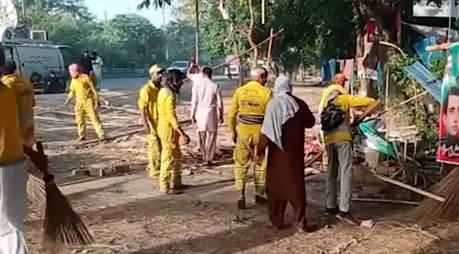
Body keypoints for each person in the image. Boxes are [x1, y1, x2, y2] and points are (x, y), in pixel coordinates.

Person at [0, 49, 48, 254]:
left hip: (3, 165)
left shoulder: (9, 89)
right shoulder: (9, 90)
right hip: (16, 160)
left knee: (7, 229)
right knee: (10, 225)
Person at [259, 75, 315, 232]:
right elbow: (310, 122)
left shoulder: (273, 105)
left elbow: (266, 132)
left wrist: (259, 151)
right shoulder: (299, 104)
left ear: (277, 87)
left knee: (275, 188)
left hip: (277, 155)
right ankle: (300, 222)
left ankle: (276, 220)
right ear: (290, 87)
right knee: (296, 187)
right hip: (294, 155)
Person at [320, 72, 375, 225]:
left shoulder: (326, 102)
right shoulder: (344, 98)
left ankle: (330, 206)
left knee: (331, 172)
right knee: (345, 172)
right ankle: (344, 209)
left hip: (328, 140)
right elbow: (369, 101)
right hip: (343, 140)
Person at [228, 66, 272, 209]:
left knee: (240, 164)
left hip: (244, 133)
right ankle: (259, 194)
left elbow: (231, 115)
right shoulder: (267, 93)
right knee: (260, 164)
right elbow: (270, 117)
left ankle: (240, 194)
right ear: (261, 78)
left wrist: (233, 132)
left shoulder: (240, 91)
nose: (266, 81)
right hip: (260, 133)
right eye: (265, 78)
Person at [157, 69, 191, 194]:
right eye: (180, 81)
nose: (182, 83)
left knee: (177, 155)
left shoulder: (163, 91)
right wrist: (181, 132)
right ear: (175, 81)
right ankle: (165, 186)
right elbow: (171, 115)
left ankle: (177, 182)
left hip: (166, 126)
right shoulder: (169, 94)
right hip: (168, 128)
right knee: (168, 157)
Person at [190, 67, 224, 166]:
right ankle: (209, 157)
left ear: (203, 74)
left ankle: (204, 156)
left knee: (201, 134)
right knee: (212, 134)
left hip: (200, 111)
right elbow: (220, 103)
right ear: (211, 74)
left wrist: (192, 114)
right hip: (211, 111)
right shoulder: (215, 85)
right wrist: (221, 115)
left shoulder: (197, 85)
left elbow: (194, 101)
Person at [65, 64, 106, 141]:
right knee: (79, 120)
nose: (70, 74)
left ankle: (101, 134)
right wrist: (68, 100)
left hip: (88, 101)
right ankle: (81, 135)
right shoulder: (73, 80)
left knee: (94, 118)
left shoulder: (85, 78)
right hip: (79, 102)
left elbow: (93, 89)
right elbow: (72, 92)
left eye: (71, 72)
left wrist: (97, 100)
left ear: (76, 71)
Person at [138, 65, 164, 179]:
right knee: (154, 148)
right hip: (152, 121)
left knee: (162, 146)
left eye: (161, 73)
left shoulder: (161, 88)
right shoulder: (146, 90)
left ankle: (158, 167)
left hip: (162, 121)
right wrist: (145, 124)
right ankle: (154, 170)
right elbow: (143, 108)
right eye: (158, 74)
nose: (161, 76)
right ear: (152, 75)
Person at [1, 60, 35, 147]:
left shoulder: (6, 84)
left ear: (3, 69)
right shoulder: (26, 81)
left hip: (13, 117)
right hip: (28, 116)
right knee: (28, 138)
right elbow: (33, 101)